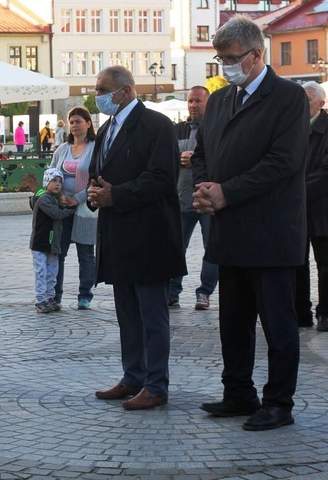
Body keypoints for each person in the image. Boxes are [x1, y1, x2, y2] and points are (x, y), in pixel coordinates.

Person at [192, 16, 308, 431]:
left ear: (257, 55)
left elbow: (284, 162)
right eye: (219, 59)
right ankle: (238, 392)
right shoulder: (223, 99)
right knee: (233, 320)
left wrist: (229, 191)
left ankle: (279, 402)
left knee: (278, 323)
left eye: (231, 58)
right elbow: (202, 149)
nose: (225, 66)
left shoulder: (289, 97)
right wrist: (206, 185)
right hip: (230, 229)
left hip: (272, 230)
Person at [88, 65, 186, 411]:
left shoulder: (156, 124)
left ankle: (156, 384)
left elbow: (162, 177)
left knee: (152, 315)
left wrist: (118, 195)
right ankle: (133, 377)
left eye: (103, 89)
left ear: (126, 91)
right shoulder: (106, 128)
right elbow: (99, 174)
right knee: (127, 314)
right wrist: (94, 193)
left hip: (150, 234)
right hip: (117, 235)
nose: (98, 96)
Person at [168, 86, 219, 310]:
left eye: (198, 101)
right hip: (181, 199)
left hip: (208, 199)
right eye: (190, 101)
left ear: (208, 103)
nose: (193, 105)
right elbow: (166, 157)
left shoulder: (216, 128)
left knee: (212, 248)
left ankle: (204, 292)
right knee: (176, 247)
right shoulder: (177, 129)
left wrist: (196, 159)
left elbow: (220, 158)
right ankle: (171, 292)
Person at [50, 106, 97, 310]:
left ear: (88, 123)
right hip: (62, 209)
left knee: (86, 254)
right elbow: (50, 174)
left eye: (79, 121)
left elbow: (97, 178)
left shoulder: (96, 148)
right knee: (58, 252)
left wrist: (77, 198)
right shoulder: (62, 149)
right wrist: (60, 195)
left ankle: (85, 295)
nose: (74, 125)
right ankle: (55, 295)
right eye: (72, 122)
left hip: (85, 209)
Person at [295, 82, 328, 330]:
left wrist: (295, 191)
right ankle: (300, 313)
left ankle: (325, 313)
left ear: (321, 103)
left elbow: (326, 173)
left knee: (325, 264)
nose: (302, 104)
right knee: (297, 262)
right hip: (296, 209)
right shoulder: (293, 128)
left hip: (322, 209)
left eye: (306, 99)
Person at [30, 168, 76, 313]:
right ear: (46, 182)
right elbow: (56, 214)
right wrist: (71, 210)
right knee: (41, 272)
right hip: (40, 243)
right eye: (53, 181)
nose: (57, 184)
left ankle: (50, 298)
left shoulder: (54, 199)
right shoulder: (44, 199)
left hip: (52, 244)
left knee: (52, 272)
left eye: (60, 182)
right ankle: (41, 300)